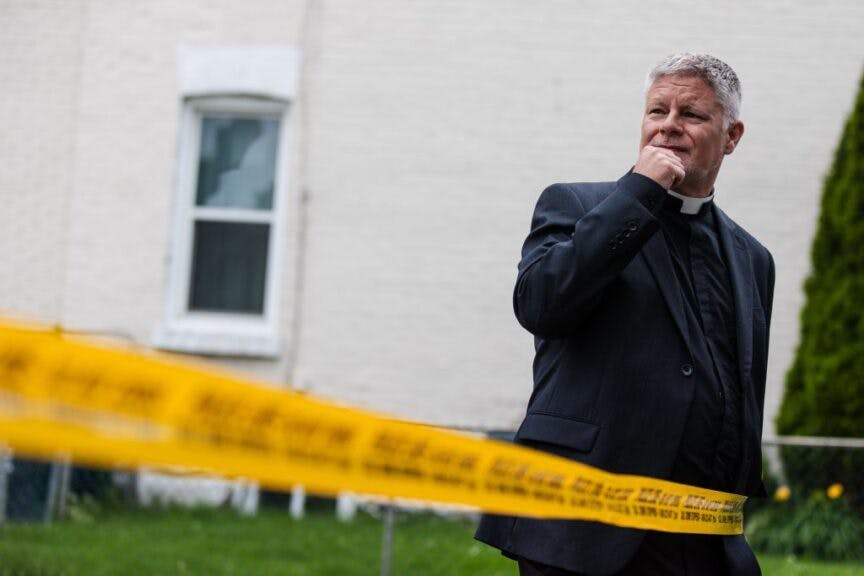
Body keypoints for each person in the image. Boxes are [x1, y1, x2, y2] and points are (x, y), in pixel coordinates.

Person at [475, 53, 774, 576]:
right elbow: (541, 304)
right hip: (584, 535)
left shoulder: (754, 258)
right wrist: (639, 192)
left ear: (731, 136)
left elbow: (741, 382)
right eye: (657, 111)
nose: (668, 126)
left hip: (706, 542)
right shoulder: (574, 205)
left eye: (692, 114)